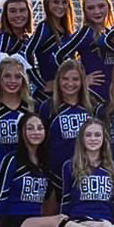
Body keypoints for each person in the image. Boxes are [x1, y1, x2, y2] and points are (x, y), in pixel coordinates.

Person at [0, 54, 35, 221]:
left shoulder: (31, 108)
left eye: (18, 76)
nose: (12, 81)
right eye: (7, 76)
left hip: (24, 176)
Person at [60, 119, 114, 227]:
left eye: (97, 135)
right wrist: (65, 220)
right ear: (82, 139)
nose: (93, 139)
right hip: (79, 220)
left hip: (105, 220)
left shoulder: (113, 167)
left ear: (104, 139)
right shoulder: (70, 166)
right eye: (88, 135)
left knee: (106, 226)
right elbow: (66, 199)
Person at [38, 59, 93, 213]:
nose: (70, 84)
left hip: (83, 175)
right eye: (65, 79)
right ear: (58, 80)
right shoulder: (47, 108)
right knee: (51, 226)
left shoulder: (91, 107)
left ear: (82, 81)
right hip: (54, 175)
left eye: (75, 79)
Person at [55, 0, 114, 103]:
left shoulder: (110, 32)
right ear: (84, 11)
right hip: (93, 96)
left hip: (113, 95)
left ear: (108, 6)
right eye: (91, 8)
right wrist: (81, 79)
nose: (97, 11)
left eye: (101, 6)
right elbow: (59, 56)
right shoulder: (84, 33)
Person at [25, 0, 76, 101]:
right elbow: (27, 53)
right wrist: (40, 84)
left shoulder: (68, 30)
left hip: (67, 91)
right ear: (47, 3)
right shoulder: (44, 27)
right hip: (49, 95)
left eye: (64, 2)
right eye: (56, 2)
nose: (60, 6)